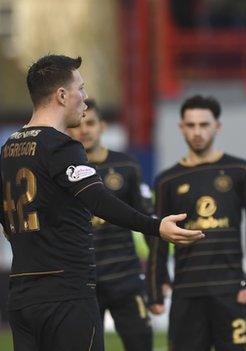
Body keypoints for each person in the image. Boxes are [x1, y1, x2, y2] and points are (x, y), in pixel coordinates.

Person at [0, 54, 203, 351]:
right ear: (62, 95)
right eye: (81, 88)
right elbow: (98, 200)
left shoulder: (10, 147)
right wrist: (156, 226)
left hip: (22, 294)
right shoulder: (61, 145)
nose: (85, 97)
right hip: (66, 295)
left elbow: (5, 219)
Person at [147, 95, 246, 351]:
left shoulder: (240, 170)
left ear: (217, 126)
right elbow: (158, 237)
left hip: (231, 290)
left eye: (204, 124)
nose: (197, 132)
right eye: (190, 125)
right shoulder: (167, 180)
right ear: (181, 128)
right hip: (186, 293)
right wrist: (156, 287)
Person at [67, 99, 154, 351]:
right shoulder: (64, 172)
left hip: (126, 279)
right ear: (69, 129)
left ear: (102, 126)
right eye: (79, 125)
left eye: (91, 123)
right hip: (84, 283)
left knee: (141, 344)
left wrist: (159, 277)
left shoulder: (126, 166)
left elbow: (147, 219)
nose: (84, 130)